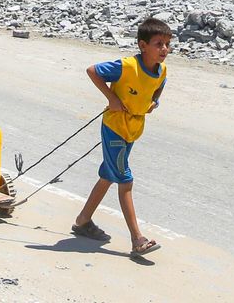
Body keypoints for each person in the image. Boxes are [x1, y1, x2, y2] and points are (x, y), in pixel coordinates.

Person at [71, 16, 173, 258]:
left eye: (167, 44)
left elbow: (160, 83)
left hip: (133, 128)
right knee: (124, 180)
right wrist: (112, 98)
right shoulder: (126, 66)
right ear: (142, 45)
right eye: (158, 44)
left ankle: (83, 220)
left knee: (109, 175)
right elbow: (93, 71)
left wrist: (154, 101)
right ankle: (138, 240)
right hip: (115, 128)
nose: (164, 49)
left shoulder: (161, 69)